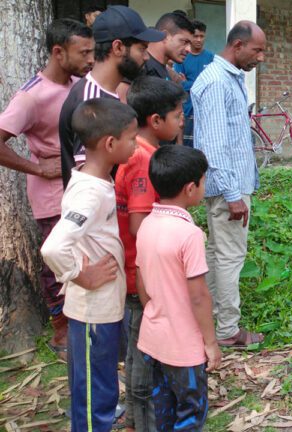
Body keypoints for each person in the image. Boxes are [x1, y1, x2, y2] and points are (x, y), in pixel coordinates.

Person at [41, 98, 138, 432]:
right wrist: (81, 275)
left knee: (100, 386)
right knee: (95, 394)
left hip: (103, 308)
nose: (135, 145)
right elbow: (53, 246)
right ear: (110, 144)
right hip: (92, 311)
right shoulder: (91, 193)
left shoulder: (91, 177)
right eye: (131, 138)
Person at [0, 19, 93, 359]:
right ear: (58, 52)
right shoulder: (31, 96)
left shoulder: (79, 84)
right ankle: (60, 331)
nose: (90, 59)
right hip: (52, 195)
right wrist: (38, 167)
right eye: (83, 52)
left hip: (81, 186)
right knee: (56, 261)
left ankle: (83, 322)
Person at [136, 145, 222, 431]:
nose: (204, 185)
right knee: (191, 412)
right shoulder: (189, 235)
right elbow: (198, 296)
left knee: (164, 410)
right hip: (184, 347)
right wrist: (210, 342)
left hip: (154, 340)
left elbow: (141, 281)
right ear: (189, 188)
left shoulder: (147, 224)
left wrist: (156, 310)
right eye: (203, 180)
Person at [118, 76, 186, 432]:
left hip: (134, 272)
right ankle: (143, 423)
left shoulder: (138, 152)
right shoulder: (145, 161)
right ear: (156, 121)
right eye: (178, 115)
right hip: (140, 276)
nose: (183, 121)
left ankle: (133, 420)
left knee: (135, 352)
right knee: (143, 357)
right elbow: (139, 226)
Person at [192, 21, 266, 347]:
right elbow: (213, 146)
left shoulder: (229, 78)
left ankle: (203, 319)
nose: (261, 57)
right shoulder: (216, 82)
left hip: (231, 185)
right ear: (237, 45)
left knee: (217, 254)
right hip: (228, 189)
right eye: (257, 50)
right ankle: (227, 331)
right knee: (229, 256)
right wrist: (233, 194)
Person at [59, 5, 164, 188]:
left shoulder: (106, 94)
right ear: (118, 47)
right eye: (142, 49)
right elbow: (89, 182)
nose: (146, 57)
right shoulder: (90, 101)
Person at [174, 19, 214, 147]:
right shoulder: (182, 57)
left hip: (206, 109)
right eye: (195, 36)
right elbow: (179, 84)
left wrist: (189, 83)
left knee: (203, 145)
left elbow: (213, 84)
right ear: (190, 37)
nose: (198, 40)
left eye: (201, 36)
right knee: (187, 145)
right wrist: (201, 84)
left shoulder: (211, 58)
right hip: (187, 108)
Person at [144, 12, 194, 80]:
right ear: (165, 36)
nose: (189, 50)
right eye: (185, 42)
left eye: (190, 44)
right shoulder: (141, 69)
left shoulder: (168, 73)